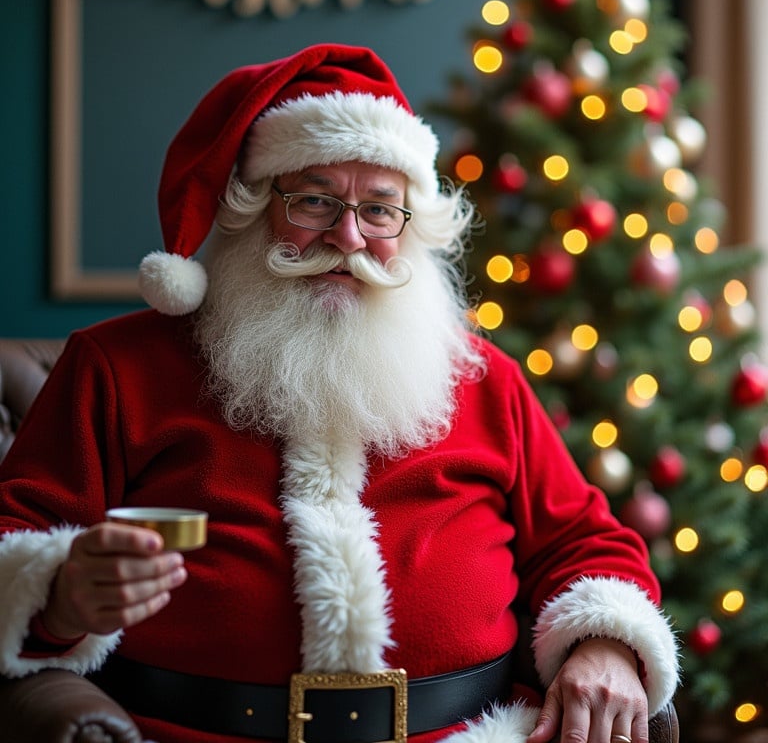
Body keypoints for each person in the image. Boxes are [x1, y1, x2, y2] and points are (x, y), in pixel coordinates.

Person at [0, 44, 678, 743]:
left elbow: (585, 541)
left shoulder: (482, 378)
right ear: (252, 208)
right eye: (315, 200)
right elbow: (11, 540)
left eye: (380, 210)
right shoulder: (117, 369)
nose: (348, 236)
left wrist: (607, 641)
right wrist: (58, 593)